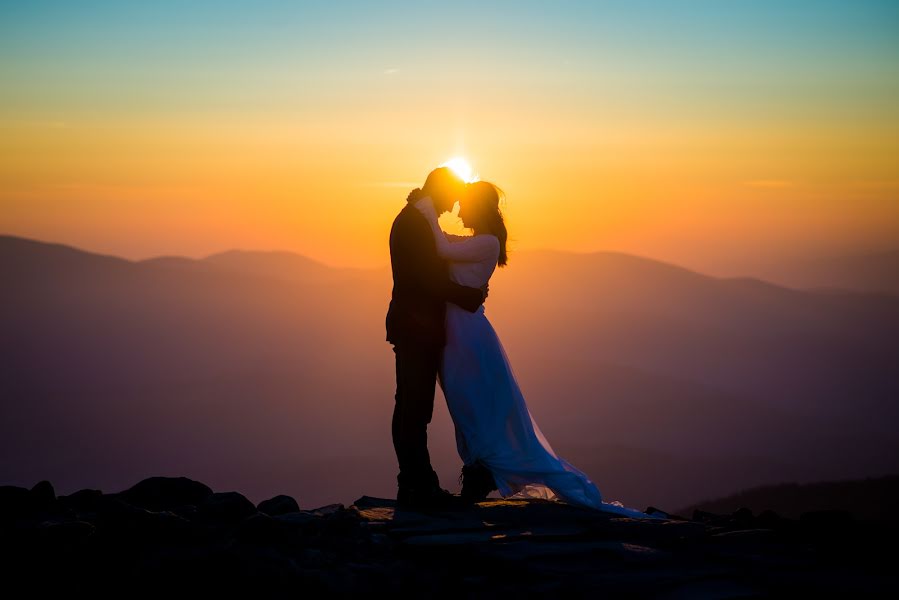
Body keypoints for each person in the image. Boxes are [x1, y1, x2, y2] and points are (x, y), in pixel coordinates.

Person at [413, 181, 663, 518]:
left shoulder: (487, 242)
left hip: (467, 336)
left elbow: (441, 249)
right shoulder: (479, 242)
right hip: (456, 333)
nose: (458, 210)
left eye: (464, 204)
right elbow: (443, 245)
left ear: (480, 207)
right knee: (465, 407)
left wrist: (425, 209)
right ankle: (477, 473)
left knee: (472, 406)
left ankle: (480, 476)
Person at [385, 167, 487, 510]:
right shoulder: (416, 222)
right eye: (452, 197)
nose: (453, 207)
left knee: (412, 406)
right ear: (440, 191)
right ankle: (417, 485)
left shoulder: (419, 217)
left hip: (416, 326)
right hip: (416, 327)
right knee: (414, 407)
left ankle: (414, 483)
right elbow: (427, 279)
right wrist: (468, 296)